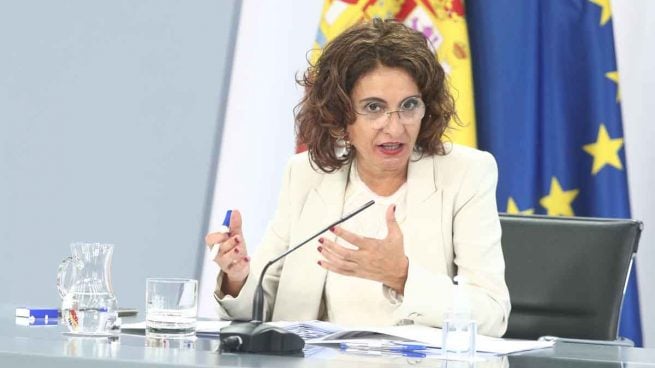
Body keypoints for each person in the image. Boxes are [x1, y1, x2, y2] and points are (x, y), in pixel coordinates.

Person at [205, 18, 510, 337]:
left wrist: (401, 276)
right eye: (374, 107)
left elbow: (492, 314)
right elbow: (261, 306)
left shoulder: (464, 174)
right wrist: (237, 276)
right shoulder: (306, 176)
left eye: (409, 106)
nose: (395, 127)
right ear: (339, 117)